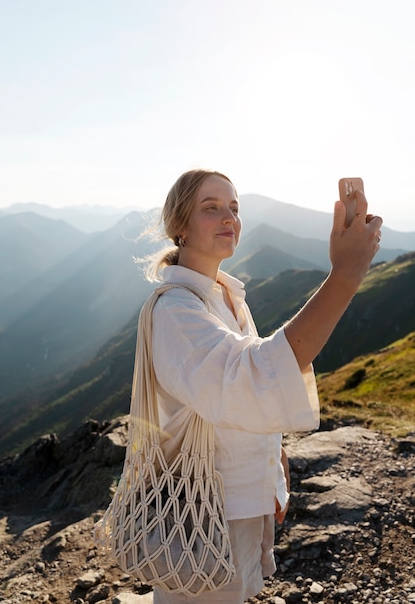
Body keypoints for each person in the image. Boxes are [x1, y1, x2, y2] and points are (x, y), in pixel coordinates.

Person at [142, 168, 382, 604]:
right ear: (180, 225)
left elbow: (241, 396)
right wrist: (345, 276)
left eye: (234, 208)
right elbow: (251, 378)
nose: (229, 217)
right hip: (201, 512)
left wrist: (276, 464)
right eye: (211, 208)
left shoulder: (225, 297)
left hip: (235, 501)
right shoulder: (176, 311)